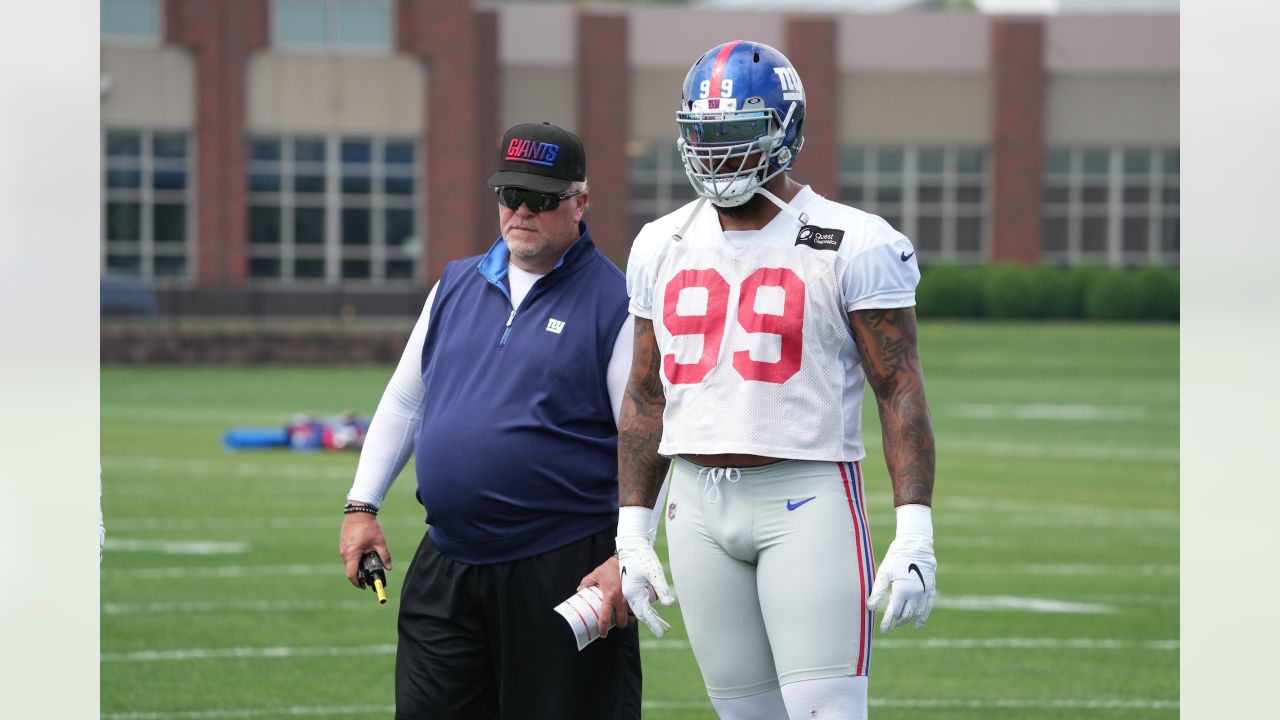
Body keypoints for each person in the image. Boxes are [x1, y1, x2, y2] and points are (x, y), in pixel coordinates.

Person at [614, 41, 940, 720]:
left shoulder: (854, 240)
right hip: (695, 507)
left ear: (784, 131)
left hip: (806, 495)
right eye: (703, 137)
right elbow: (648, 393)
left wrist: (915, 533)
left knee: (827, 714)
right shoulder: (659, 241)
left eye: (735, 135)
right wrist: (631, 530)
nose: (716, 154)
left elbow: (899, 387)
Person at [339, 121, 652, 720]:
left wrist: (627, 557)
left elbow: (647, 442)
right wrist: (362, 505)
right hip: (447, 561)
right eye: (510, 195)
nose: (521, 211)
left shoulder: (619, 302)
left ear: (580, 202)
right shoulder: (455, 283)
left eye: (541, 197)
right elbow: (406, 401)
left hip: (564, 568)